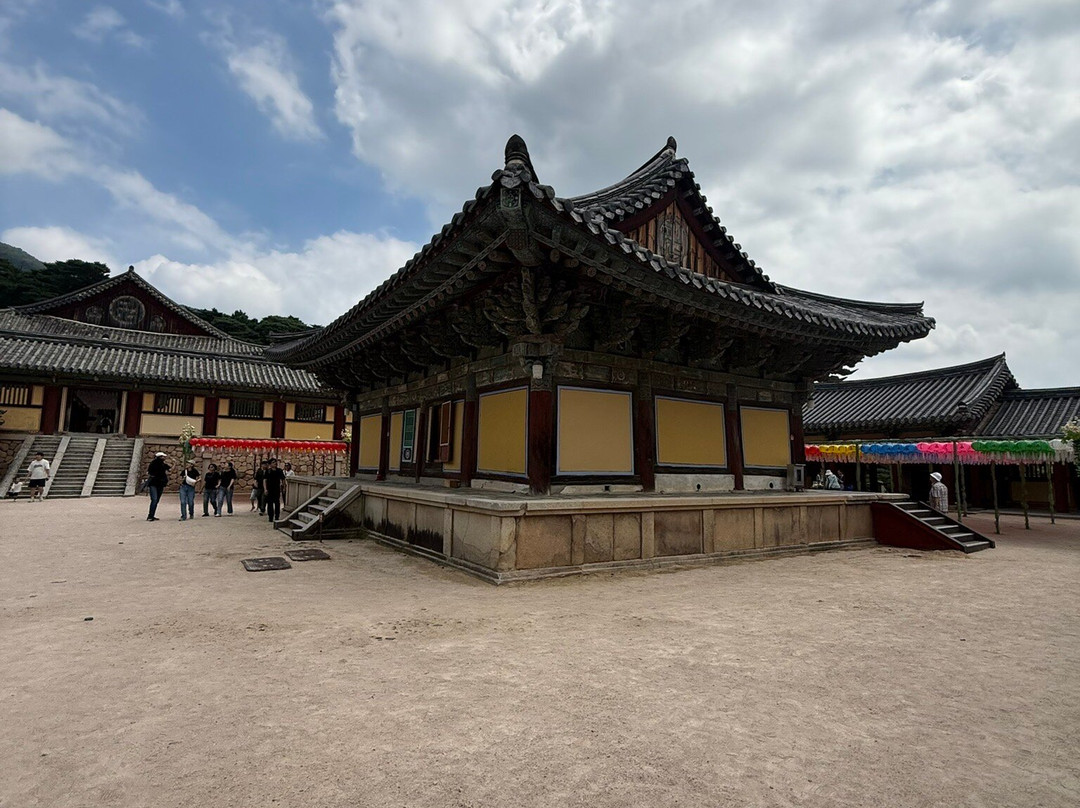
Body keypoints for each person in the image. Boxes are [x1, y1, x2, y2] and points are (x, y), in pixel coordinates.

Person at [146, 451, 170, 521]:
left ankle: (151, 515)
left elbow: (170, 469)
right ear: (159, 457)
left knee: (156, 500)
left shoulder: (163, 464)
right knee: (154, 499)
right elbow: (150, 472)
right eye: (163, 457)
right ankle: (150, 516)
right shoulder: (154, 464)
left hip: (160, 483)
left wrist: (174, 463)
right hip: (154, 483)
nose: (164, 458)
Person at [263, 458, 286, 523]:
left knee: (277, 503)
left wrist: (284, 487)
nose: (275, 463)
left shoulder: (279, 471)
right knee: (270, 504)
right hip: (269, 489)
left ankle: (277, 516)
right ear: (270, 464)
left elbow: (283, 479)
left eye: (275, 462)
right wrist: (265, 489)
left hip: (276, 489)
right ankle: (270, 516)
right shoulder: (268, 471)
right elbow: (264, 480)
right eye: (273, 462)